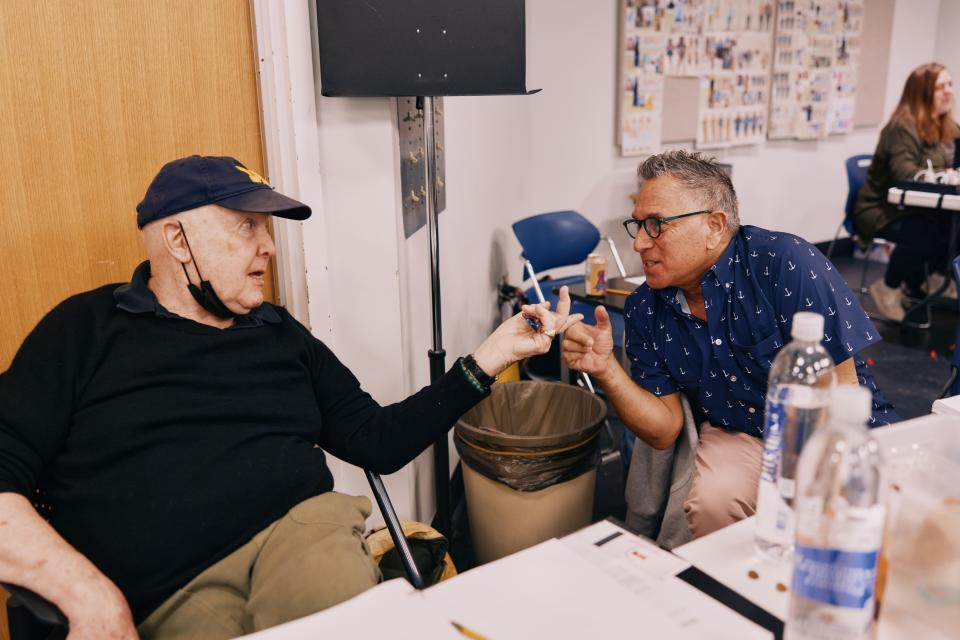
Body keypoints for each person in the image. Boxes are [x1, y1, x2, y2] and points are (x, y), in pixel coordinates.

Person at [0, 155, 582, 640]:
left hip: (301, 534)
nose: (268, 248)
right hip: (168, 592)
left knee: (333, 610)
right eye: (245, 227)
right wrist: (87, 593)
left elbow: (375, 441)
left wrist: (493, 355)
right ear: (178, 239)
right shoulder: (84, 330)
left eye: (268, 228)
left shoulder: (278, 334)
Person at [562, 150, 897, 541]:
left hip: (830, 431)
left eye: (655, 225)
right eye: (636, 225)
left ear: (715, 226)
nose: (638, 244)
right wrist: (606, 370)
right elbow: (664, 430)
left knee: (852, 531)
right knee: (712, 505)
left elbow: (842, 390)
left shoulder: (784, 264)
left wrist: (805, 482)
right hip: (738, 433)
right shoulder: (645, 309)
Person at [854, 62, 959, 321]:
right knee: (928, 235)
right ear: (921, 93)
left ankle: (923, 281)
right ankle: (888, 286)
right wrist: (945, 175)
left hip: (916, 209)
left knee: (952, 230)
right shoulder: (902, 127)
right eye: (940, 87)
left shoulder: (944, 125)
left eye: (950, 84)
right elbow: (905, 173)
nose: (948, 91)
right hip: (882, 210)